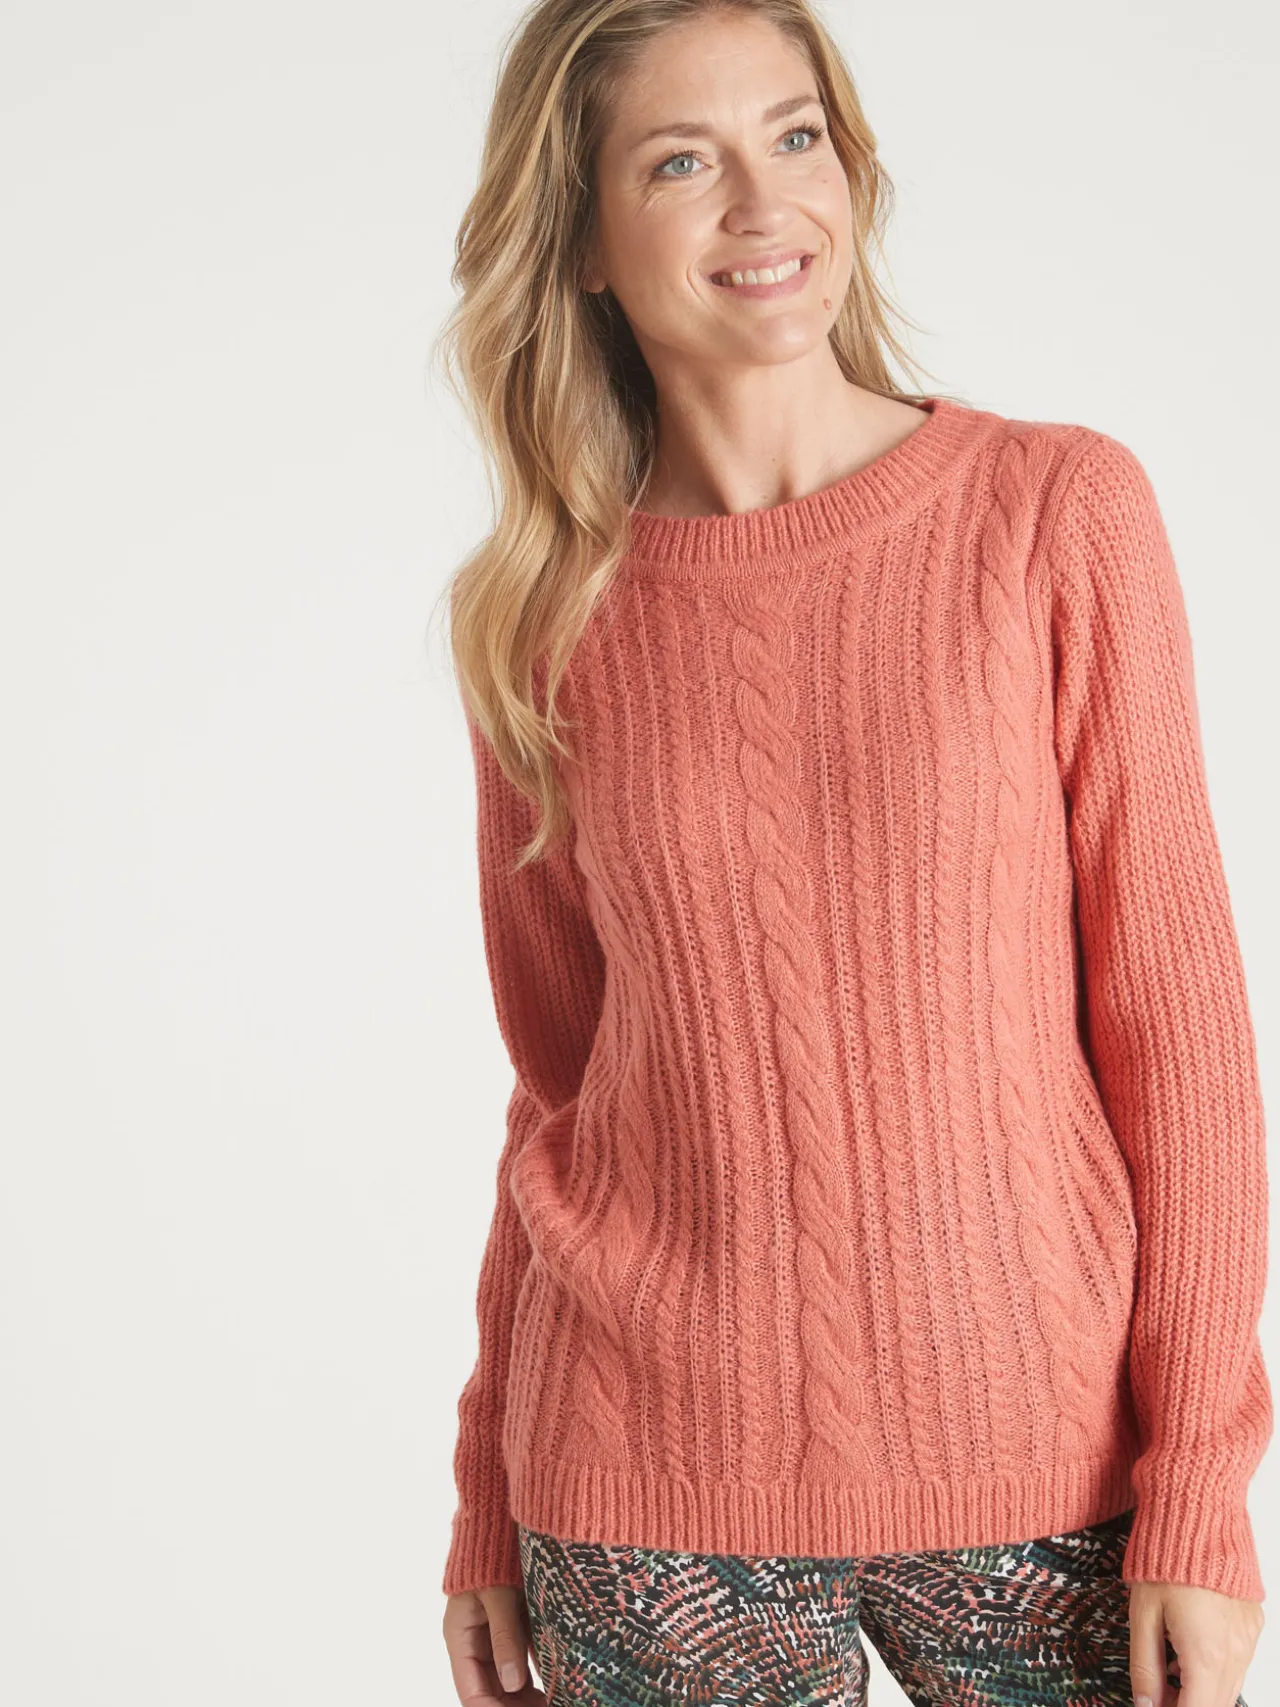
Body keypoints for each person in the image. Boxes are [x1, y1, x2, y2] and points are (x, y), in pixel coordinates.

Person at [434, 1, 1272, 1702]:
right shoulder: (542, 618)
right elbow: (563, 1086)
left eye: (796, 134)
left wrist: (1200, 1476)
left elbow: (1177, 1034)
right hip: (645, 1488)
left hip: (1049, 1468)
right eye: (683, 162)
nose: (766, 203)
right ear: (582, 240)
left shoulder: (1053, 512)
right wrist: (482, 1499)